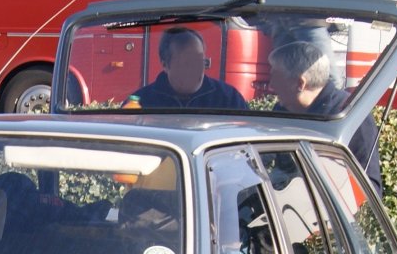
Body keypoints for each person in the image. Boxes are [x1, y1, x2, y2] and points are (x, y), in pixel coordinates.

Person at [268, 41, 382, 196]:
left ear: (300, 83)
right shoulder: (280, 113)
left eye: (276, 77)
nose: (271, 86)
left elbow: (369, 189)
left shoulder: (349, 117)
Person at [124, 27, 249, 111]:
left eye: (199, 61)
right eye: (186, 63)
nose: (194, 70)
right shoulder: (141, 103)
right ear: (165, 64)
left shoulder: (228, 99)